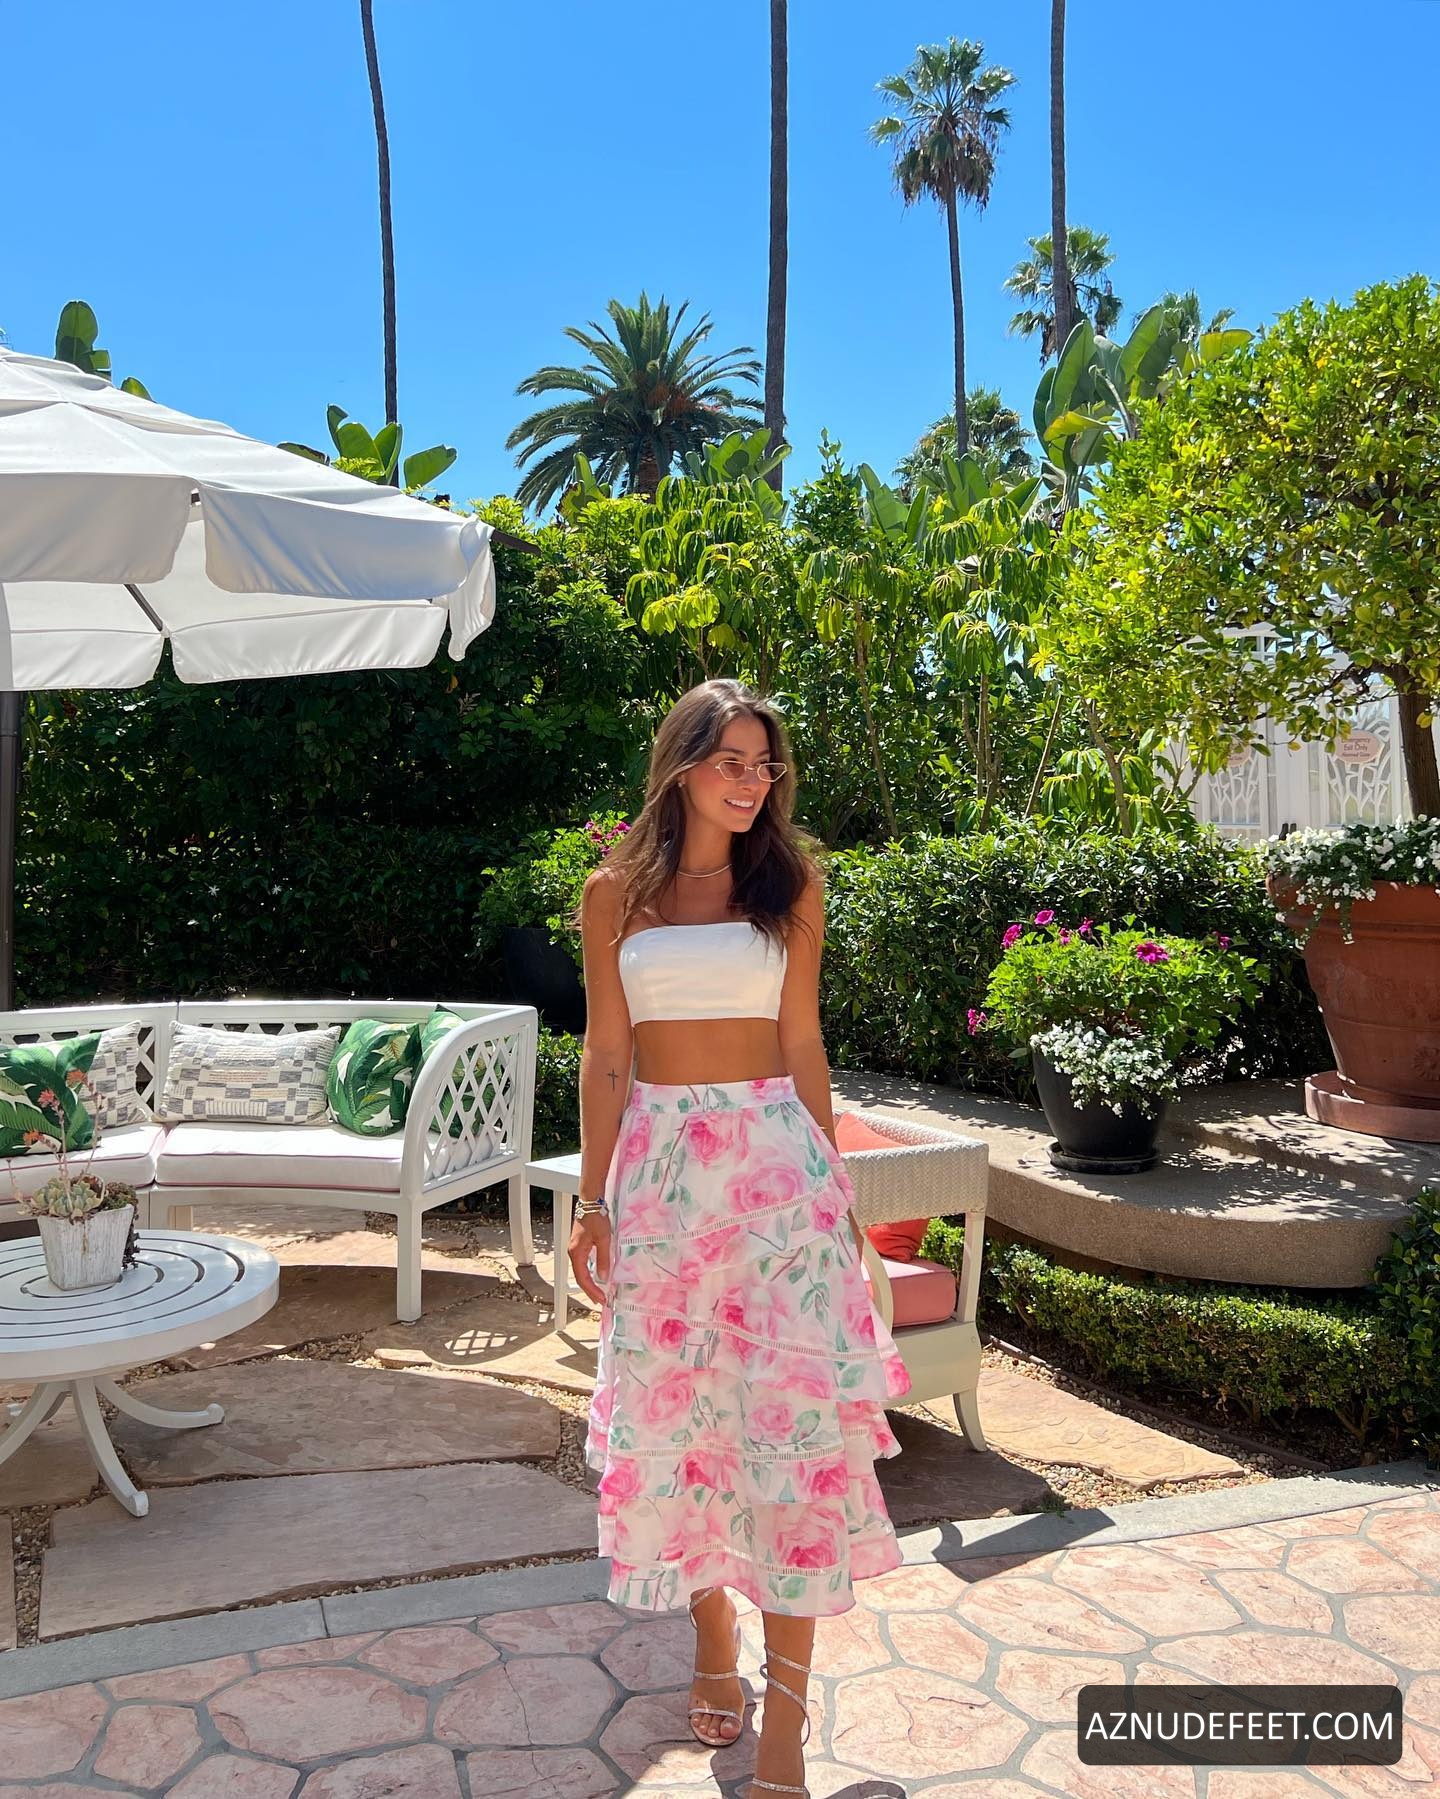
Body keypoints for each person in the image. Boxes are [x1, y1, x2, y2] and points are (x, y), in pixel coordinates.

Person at [567, 678, 911, 1799]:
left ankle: (787, 1728)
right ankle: (713, 1633)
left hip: (775, 1179)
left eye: (766, 765)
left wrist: (834, 1190)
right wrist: (592, 1199)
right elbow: (607, 1053)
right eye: (732, 761)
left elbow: (802, 1039)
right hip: (662, 1183)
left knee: (791, 1434)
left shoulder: (791, 884)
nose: (753, 782)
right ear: (681, 767)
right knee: (686, 1422)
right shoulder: (613, 893)